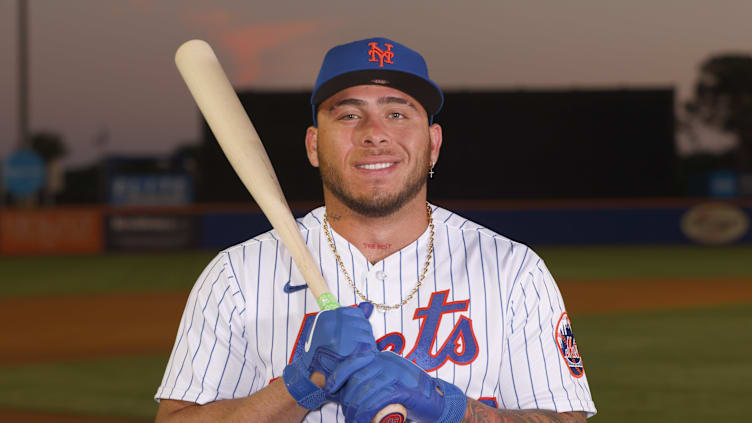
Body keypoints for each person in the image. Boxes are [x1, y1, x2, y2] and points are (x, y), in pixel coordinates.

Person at [154, 36, 596, 422]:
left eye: (398, 114)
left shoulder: (513, 270)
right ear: (313, 145)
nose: (374, 134)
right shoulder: (238, 275)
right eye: (348, 115)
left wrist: (449, 409)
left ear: (434, 144)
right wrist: (300, 385)